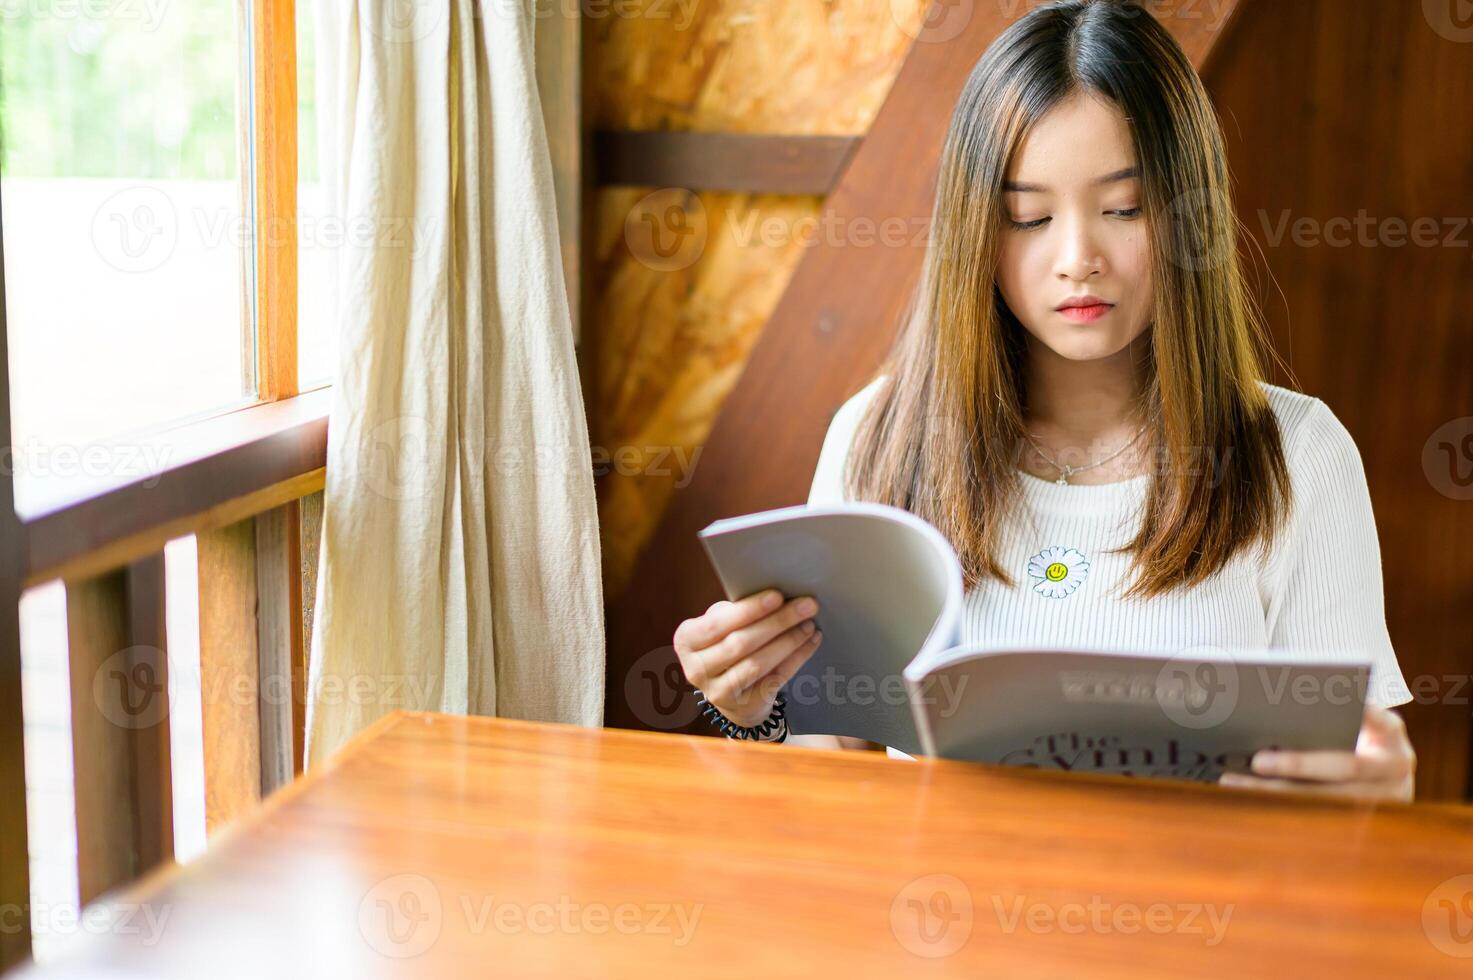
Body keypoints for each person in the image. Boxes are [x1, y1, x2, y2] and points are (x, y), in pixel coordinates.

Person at [672, 0, 1415, 802]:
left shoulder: (1296, 454)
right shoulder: (876, 437)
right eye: (1027, 217)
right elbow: (826, 781)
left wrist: (1377, 788)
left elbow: (1352, 791)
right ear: (975, 230)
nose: (1076, 260)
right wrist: (748, 710)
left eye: (1123, 209)